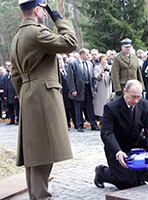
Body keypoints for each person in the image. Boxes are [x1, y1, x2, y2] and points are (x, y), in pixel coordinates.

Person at [10, 1, 77, 199]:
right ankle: (41, 197)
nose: (46, 16)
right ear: (38, 10)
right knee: (42, 154)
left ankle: (37, 196)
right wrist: (60, 21)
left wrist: (26, 95)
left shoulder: (17, 37)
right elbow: (70, 43)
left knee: (35, 153)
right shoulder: (36, 32)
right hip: (42, 95)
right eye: (44, 12)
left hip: (29, 94)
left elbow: (15, 76)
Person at [94, 80, 148, 190]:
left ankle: (139, 176)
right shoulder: (111, 107)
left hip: (136, 144)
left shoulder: (145, 104)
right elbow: (106, 133)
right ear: (125, 91)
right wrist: (118, 152)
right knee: (125, 183)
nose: (136, 100)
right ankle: (102, 172)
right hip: (119, 147)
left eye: (139, 96)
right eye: (133, 97)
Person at [67, 48, 100, 132]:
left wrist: (94, 88)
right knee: (78, 107)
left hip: (88, 87)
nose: (89, 56)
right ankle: (79, 125)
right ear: (82, 54)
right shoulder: (73, 64)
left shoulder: (89, 64)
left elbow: (93, 77)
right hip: (78, 89)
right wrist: (73, 89)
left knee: (90, 107)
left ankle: (93, 124)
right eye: (87, 54)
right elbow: (71, 78)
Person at [93, 54, 112, 121]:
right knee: (101, 104)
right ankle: (101, 118)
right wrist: (101, 72)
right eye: (102, 60)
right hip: (100, 87)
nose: (104, 61)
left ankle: (107, 117)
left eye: (105, 60)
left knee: (108, 102)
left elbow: (113, 77)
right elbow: (96, 77)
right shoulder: (97, 67)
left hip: (108, 87)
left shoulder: (110, 67)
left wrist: (110, 72)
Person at [58, 54, 72, 130]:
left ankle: (69, 123)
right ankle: (65, 124)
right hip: (62, 94)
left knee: (69, 109)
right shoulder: (56, 72)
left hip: (69, 93)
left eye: (61, 62)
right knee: (64, 109)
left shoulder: (67, 69)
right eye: (59, 62)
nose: (61, 64)